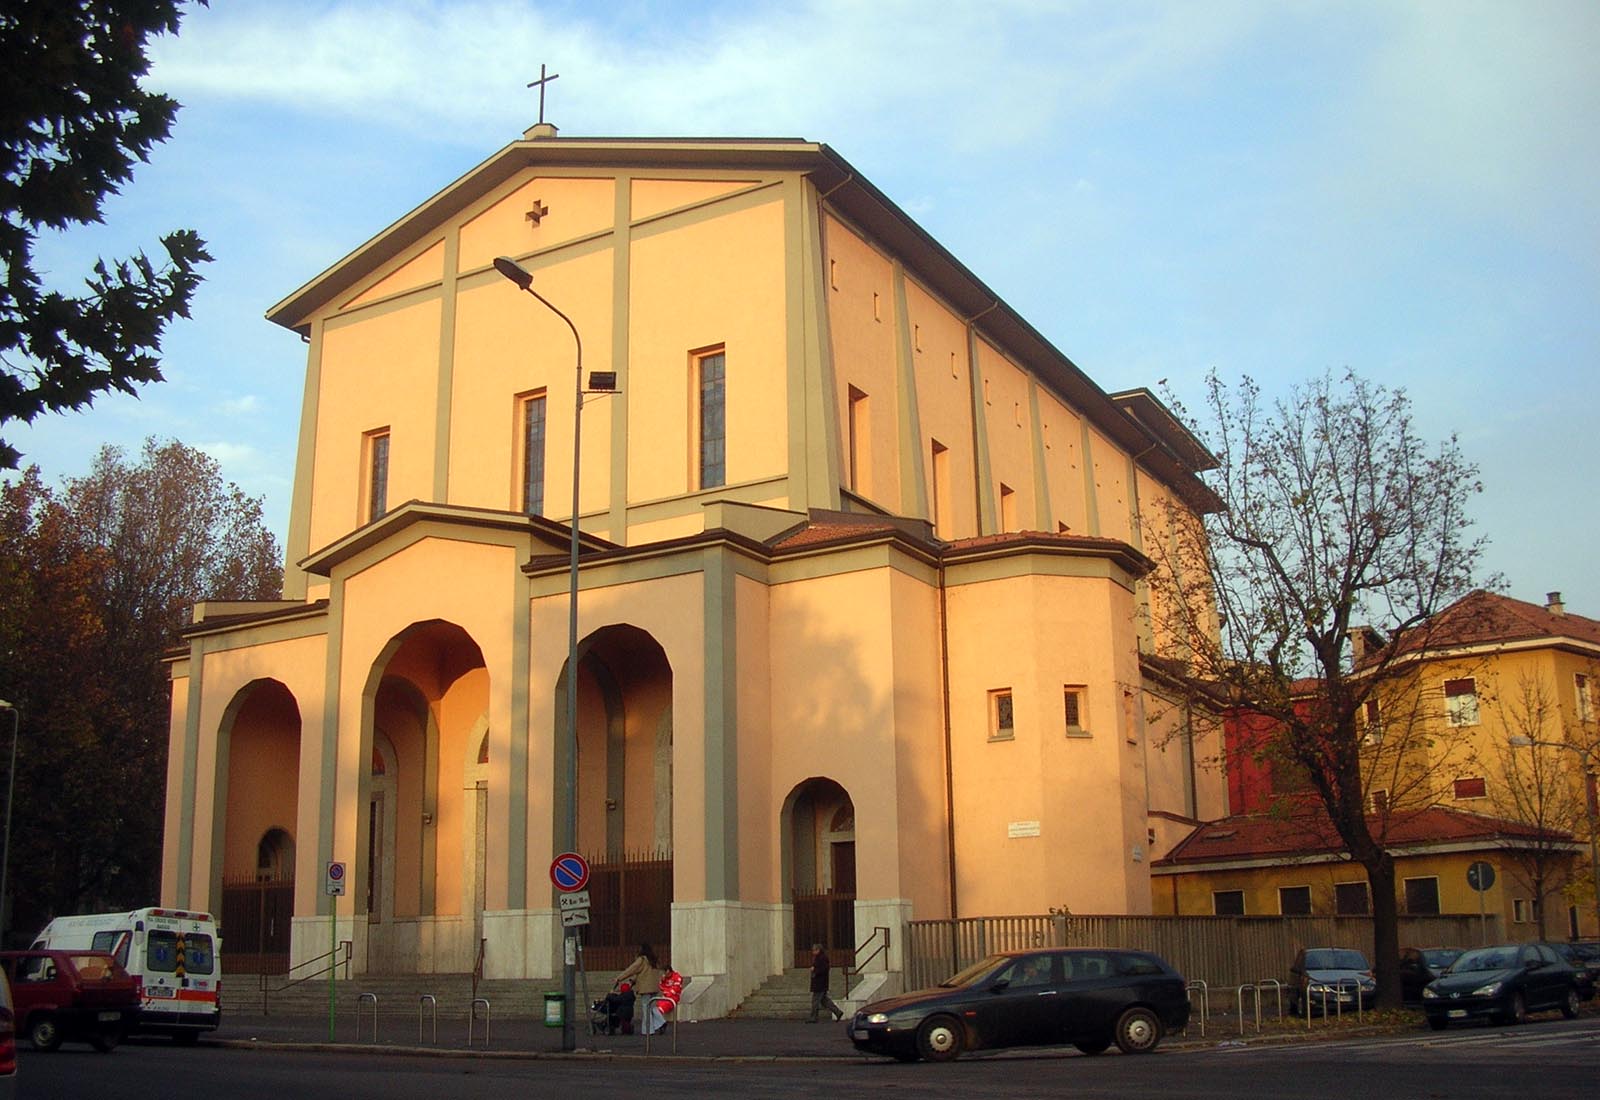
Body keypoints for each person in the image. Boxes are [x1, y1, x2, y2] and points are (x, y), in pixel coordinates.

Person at [611, 943, 661, 1034]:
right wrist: (634, 980)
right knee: (652, 1006)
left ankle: (648, 1030)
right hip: (654, 986)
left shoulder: (642, 960)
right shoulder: (653, 960)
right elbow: (645, 973)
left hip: (646, 987)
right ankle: (660, 1022)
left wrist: (619, 978)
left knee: (646, 1008)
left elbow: (632, 969)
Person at [807, 943, 843, 1023]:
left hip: (820, 983)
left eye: (814, 950)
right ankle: (837, 1012)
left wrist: (814, 970)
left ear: (818, 950)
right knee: (824, 1001)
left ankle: (813, 1017)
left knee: (815, 1001)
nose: (813, 952)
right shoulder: (819, 958)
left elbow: (824, 969)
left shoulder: (822, 958)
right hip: (819, 983)